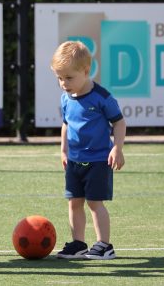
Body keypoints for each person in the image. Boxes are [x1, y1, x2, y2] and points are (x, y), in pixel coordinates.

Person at [50, 40, 126, 260]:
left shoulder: (101, 97)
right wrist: (63, 151)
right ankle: (78, 243)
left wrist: (117, 149)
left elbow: (119, 123)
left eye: (69, 78)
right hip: (74, 161)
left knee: (94, 202)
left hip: (98, 160)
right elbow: (66, 125)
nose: (64, 83)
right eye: (59, 78)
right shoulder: (66, 98)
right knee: (74, 202)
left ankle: (104, 245)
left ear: (86, 71)